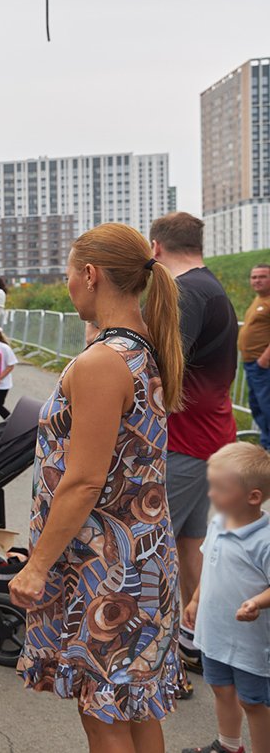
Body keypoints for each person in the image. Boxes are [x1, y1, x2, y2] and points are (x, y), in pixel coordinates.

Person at [11, 222, 186, 753]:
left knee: (103, 714)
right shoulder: (140, 350)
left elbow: (84, 480)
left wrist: (37, 565)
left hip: (106, 566)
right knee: (131, 706)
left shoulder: (102, 363)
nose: (68, 286)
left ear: (90, 275)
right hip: (140, 555)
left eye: (69, 274)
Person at [149, 211, 239, 685]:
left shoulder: (184, 293)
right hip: (215, 434)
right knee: (190, 549)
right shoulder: (215, 287)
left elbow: (166, 370)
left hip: (184, 442)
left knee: (155, 548)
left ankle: (167, 662)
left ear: (156, 248)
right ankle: (196, 644)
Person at [181, 442, 270, 753]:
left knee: (253, 701)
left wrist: (258, 602)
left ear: (253, 497)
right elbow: (210, 566)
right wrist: (194, 599)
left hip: (250, 642)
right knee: (220, 687)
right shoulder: (218, 522)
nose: (210, 494)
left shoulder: (265, 540)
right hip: (216, 632)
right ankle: (229, 745)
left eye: (219, 488)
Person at [240, 264, 270, 451]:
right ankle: (266, 446)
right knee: (258, 407)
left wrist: (264, 360)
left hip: (263, 366)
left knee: (267, 407)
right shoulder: (259, 300)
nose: (257, 280)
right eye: (254, 277)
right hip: (252, 365)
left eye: (262, 277)